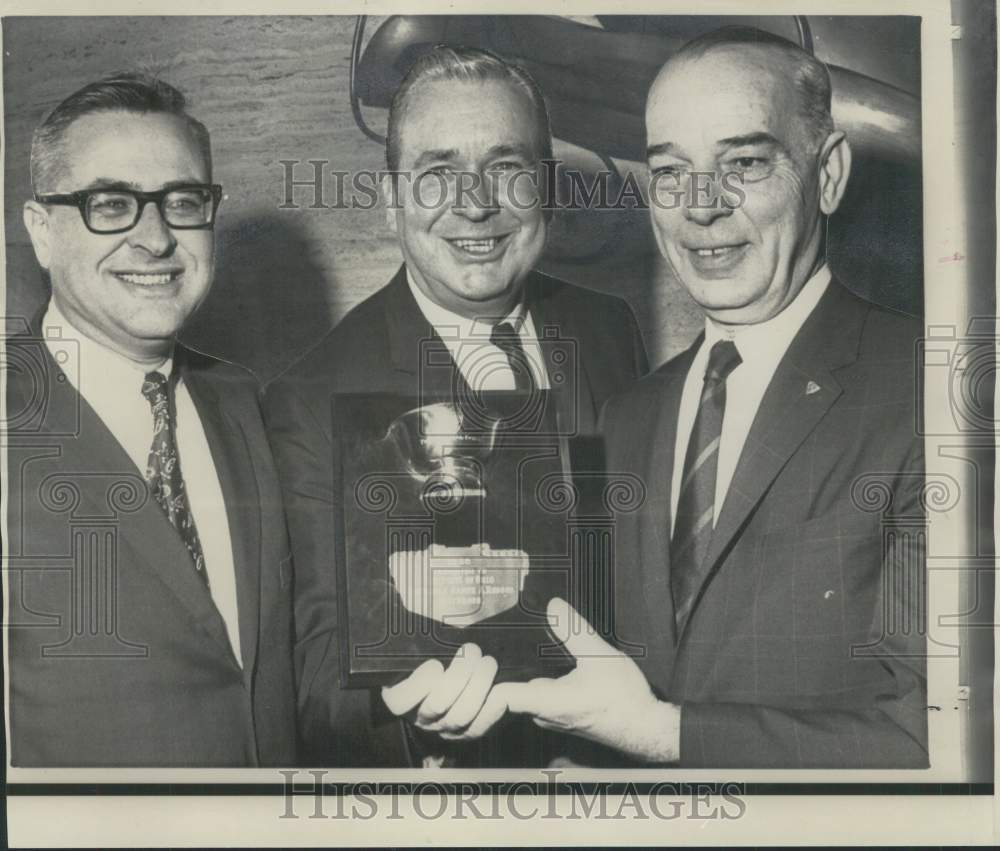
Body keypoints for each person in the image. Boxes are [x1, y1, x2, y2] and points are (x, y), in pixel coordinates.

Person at [497, 27, 928, 768]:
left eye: (745, 163)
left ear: (827, 174)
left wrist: (665, 735)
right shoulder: (629, 417)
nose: (700, 206)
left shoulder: (930, 389)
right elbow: (617, 683)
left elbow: (942, 744)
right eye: (670, 171)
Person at [264, 46, 648, 766]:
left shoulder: (609, 328)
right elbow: (317, 682)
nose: (476, 203)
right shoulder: (311, 397)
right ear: (389, 202)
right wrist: (417, 718)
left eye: (506, 169)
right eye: (438, 173)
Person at [6, 73, 297, 766]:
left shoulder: (245, 402)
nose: (158, 238)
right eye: (111, 204)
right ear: (41, 232)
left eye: (184, 201)